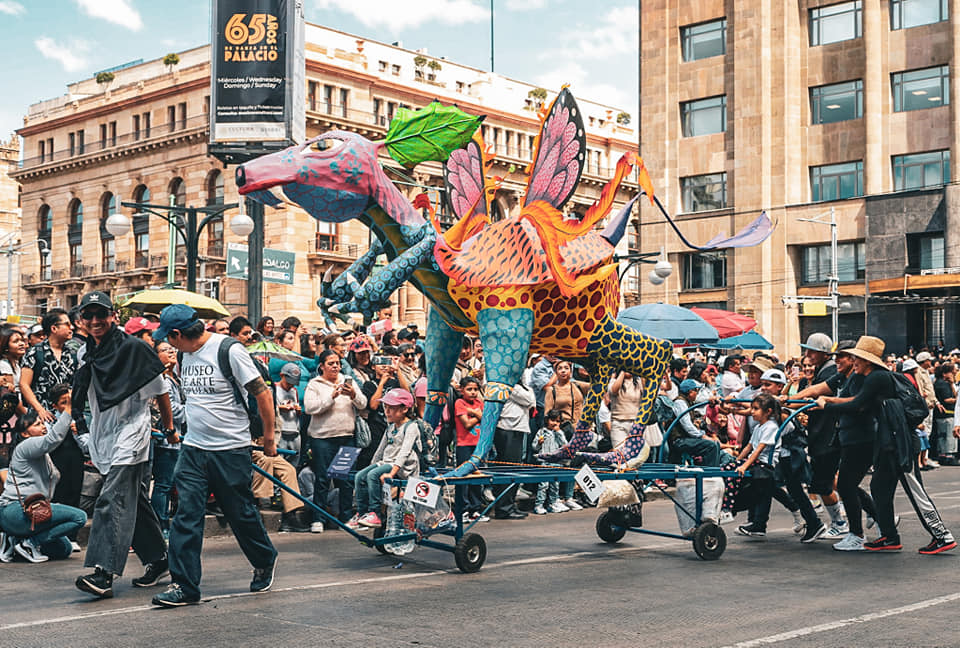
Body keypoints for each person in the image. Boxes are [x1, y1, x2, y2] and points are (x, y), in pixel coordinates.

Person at [151, 304, 279, 607]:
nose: (168, 346)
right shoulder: (184, 356)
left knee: (241, 514)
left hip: (231, 449)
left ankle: (264, 558)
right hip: (194, 449)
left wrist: (270, 438)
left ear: (179, 334)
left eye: (169, 338)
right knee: (186, 516)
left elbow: (262, 393)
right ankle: (184, 585)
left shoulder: (229, 350)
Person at [72, 292, 173, 600]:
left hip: (132, 433)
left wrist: (169, 427)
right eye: (88, 316)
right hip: (104, 434)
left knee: (112, 499)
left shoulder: (135, 349)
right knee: (135, 502)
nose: (94, 321)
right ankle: (159, 559)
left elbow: (162, 391)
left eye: (100, 314)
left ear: (112, 316)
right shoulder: (85, 354)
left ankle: (104, 573)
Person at [819, 336, 956, 554]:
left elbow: (856, 404)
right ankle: (890, 537)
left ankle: (942, 535)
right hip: (887, 441)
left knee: (914, 490)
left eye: (857, 358)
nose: (854, 362)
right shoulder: (874, 377)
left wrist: (826, 406)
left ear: (868, 361)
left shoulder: (877, 378)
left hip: (899, 440)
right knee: (879, 488)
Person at [0, 407, 87, 563]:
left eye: (42, 424)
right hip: (16, 510)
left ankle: (16, 539)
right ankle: (29, 543)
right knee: (80, 517)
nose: (42, 427)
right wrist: (68, 410)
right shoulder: (25, 446)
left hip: (34, 511)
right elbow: (52, 440)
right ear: (25, 434)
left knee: (64, 549)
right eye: (37, 424)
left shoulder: (42, 454)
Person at [20, 308, 82, 510]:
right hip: (43, 423)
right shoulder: (35, 352)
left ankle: (68, 522)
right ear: (54, 328)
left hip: (67, 419)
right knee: (45, 472)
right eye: (66, 324)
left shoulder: (72, 355)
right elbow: (24, 384)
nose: (71, 327)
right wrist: (39, 409)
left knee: (71, 470)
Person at [304, 349, 367, 532]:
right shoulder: (314, 384)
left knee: (345, 479)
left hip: (346, 436)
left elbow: (363, 404)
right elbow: (310, 408)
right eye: (331, 363)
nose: (335, 366)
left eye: (338, 363)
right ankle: (318, 519)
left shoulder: (348, 381)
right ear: (322, 366)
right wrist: (331, 397)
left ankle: (345, 517)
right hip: (322, 438)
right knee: (322, 479)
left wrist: (353, 395)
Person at [798, 332, 847, 539]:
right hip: (822, 435)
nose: (807, 354)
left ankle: (842, 522)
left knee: (825, 483)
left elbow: (822, 395)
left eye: (811, 351)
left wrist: (796, 401)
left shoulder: (829, 372)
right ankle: (865, 516)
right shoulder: (824, 371)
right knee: (834, 482)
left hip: (827, 435)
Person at [349, 388, 421, 529]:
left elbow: (404, 453)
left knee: (373, 475)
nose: (387, 412)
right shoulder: (390, 427)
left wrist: (391, 473)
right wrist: (371, 466)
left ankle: (375, 513)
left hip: (402, 467)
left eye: (392, 408)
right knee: (359, 476)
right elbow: (380, 451)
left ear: (405, 409)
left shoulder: (411, 427)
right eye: (386, 408)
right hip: (387, 462)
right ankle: (362, 513)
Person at [720, 393, 783, 536]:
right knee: (726, 469)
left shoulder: (770, 427)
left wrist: (743, 466)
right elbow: (748, 447)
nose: (752, 412)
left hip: (762, 463)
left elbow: (758, 450)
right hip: (753, 460)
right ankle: (727, 506)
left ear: (768, 412)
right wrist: (737, 461)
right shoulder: (758, 427)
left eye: (756, 409)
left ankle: (729, 509)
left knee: (735, 476)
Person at [492, 381, 535, 519]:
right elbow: (528, 399)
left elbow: (531, 400)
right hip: (508, 427)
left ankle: (509, 505)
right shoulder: (508, 385)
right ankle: (504, 508)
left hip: (517, 427)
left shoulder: (522, 386)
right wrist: (527, 394)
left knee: (515, 469)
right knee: (507, 470)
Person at [454, 376, 487, 520]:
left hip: (478, 445)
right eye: (469, 389)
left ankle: (476, 508)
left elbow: (486, 419)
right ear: (462, 390)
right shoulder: (459, 403)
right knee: (463, 477)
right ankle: (463, 509)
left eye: (475, 389)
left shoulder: (480, 402)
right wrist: (478, 415)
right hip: (464, 445)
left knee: (477, 477)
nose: (473, 392)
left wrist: (474, 413)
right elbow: (466, 424)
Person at [532, 410, 571, 514]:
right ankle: (539, 505)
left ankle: (553, 503)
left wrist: (559, 433)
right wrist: (539, 443)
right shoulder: (541, 432)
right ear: (547, 420)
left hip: (556, 462)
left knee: (555, 484)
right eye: (552, 420)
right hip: (545, 462)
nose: (555, 423)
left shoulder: (559, 433)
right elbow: (534, 447)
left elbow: (565, 445)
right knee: (543, 485)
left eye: (558, 421)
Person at [543, 360, 588, 439]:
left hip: (581, 429)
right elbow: (547, 415)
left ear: (571, 372)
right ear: (556, 373)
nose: (563, 371)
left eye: (566, 368)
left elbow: (597, 387)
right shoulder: (552, 390)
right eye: (560, 368)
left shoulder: (577, 385)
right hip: (562, 431)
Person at [275, 363, 303, 466]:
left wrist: (298, 410)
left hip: (294, 430)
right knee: (280, 463)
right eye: (289, 382)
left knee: (294, 463)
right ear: (282, 375)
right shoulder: (274, 389)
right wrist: (280, 408)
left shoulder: (294, 391)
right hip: (281, 432)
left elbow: (297, 412)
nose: (291, 385)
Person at [932, 363, 957, 465]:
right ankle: (949, 455)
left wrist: (951, 384)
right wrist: (957, 400)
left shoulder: (942, 383)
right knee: (948, 436)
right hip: (946, 414)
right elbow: (947, 399)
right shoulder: (942, 384)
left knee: (942, 436)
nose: (955, 372)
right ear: (945, 373)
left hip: (942, 415)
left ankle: (943, 455)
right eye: (952, 371)